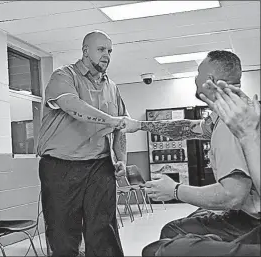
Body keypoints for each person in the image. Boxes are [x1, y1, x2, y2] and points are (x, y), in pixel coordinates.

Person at [119, 50, 260, 251]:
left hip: (252, 221)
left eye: (198, 73)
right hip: (248, 212)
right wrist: (140, 125)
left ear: (209, 80)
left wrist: (174, 190)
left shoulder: (229, 127)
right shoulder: (235, 113)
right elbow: (186, 128)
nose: (195, 78)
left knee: (169, 237)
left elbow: (233, 195)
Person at [36, 30, 129, 257]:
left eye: (109, 51)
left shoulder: (112, 87)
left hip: (99, 166)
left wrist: (122, 159)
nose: (106, 55)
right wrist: (111, 119)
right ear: (85, 51)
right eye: (101, 50)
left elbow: (121, 126)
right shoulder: (64, 76)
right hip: (61, 166)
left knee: (104, 231)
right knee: (63, 235)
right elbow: (72, 105)